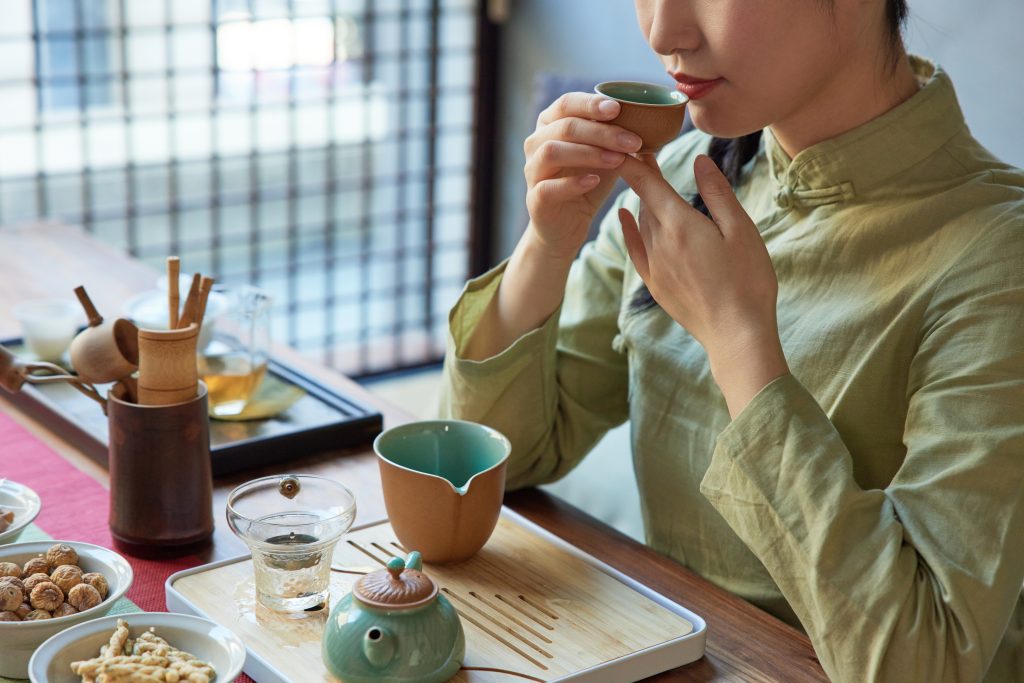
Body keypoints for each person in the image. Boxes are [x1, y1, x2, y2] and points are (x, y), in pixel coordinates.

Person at [439, 0, 1024, 680]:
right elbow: (488, 470)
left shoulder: (997, 259)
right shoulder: (684, 175)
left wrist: (740, 342)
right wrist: (546, 245)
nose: (663, 32)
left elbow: (923, 662)